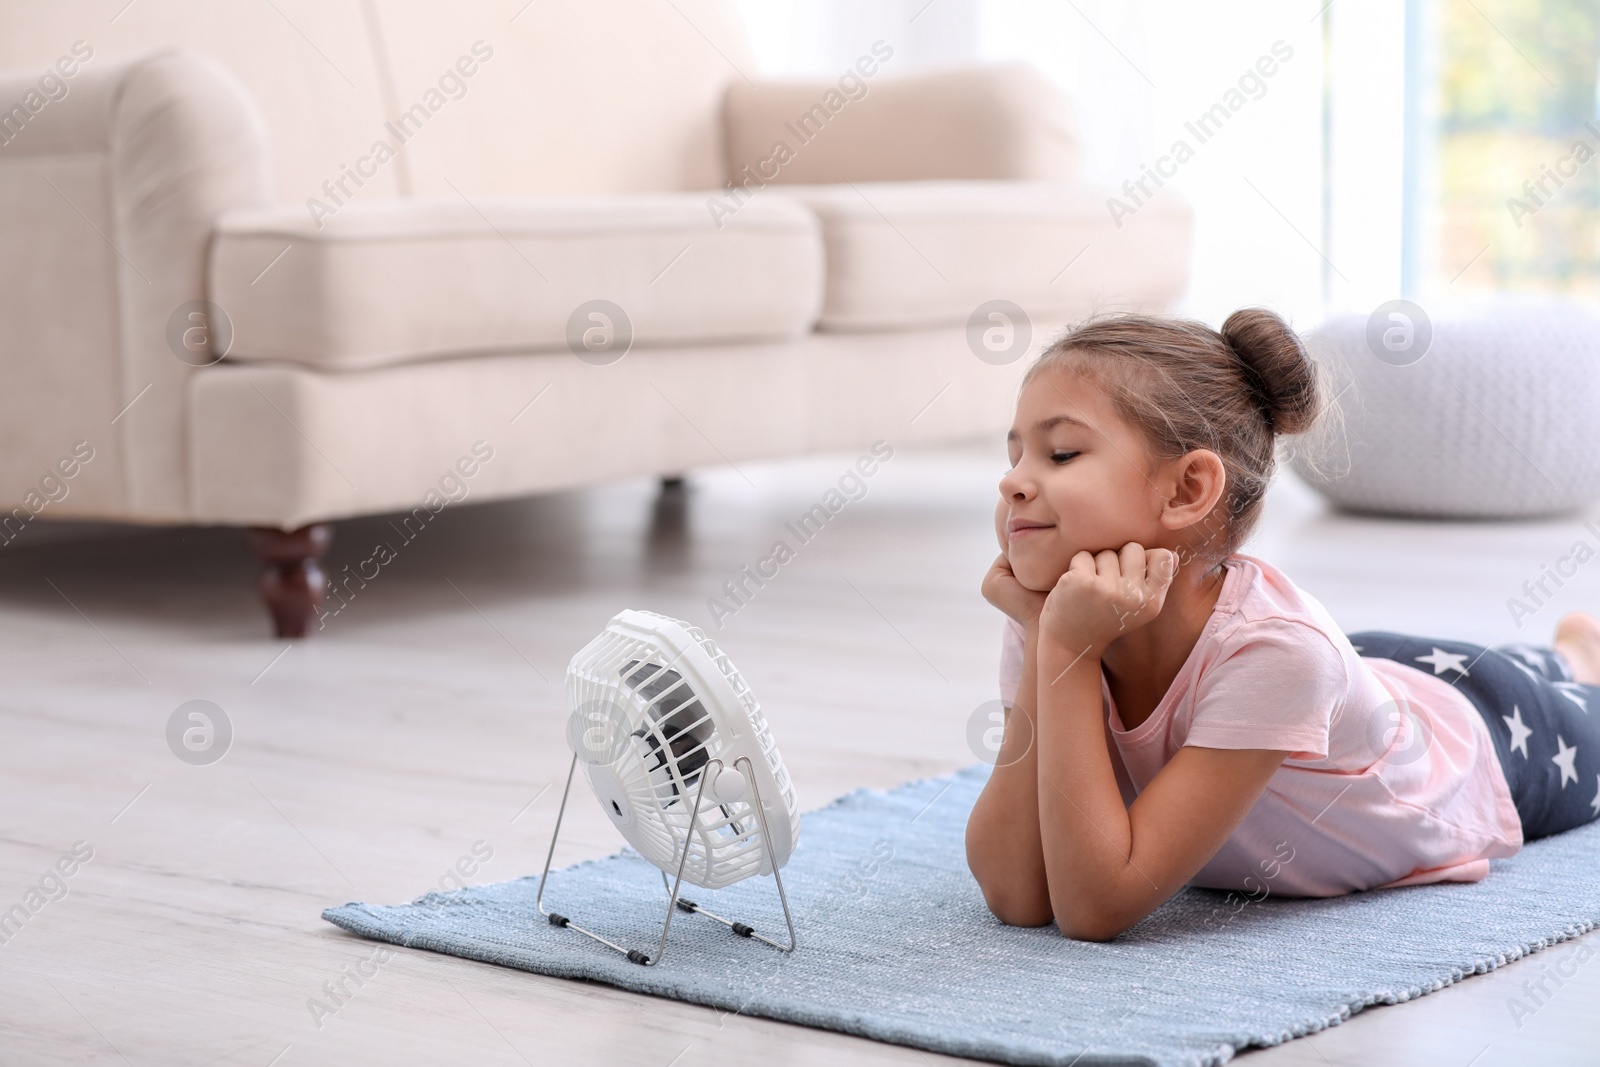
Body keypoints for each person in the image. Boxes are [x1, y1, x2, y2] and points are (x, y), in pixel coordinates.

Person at [964, 308, 1600, 942]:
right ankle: (1568, 652)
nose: (1013, 480)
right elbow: (1018, 893)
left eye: (1062, 453)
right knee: (1377, 668)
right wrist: (1055, 642)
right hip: (1361, 675)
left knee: (1552, 690)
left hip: (1486, 736)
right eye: (1015, 454)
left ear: (1187, 489)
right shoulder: (1061, 616)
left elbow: (1096, 907)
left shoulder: (1277, 654)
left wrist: (1070, 651)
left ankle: (1577, 659)